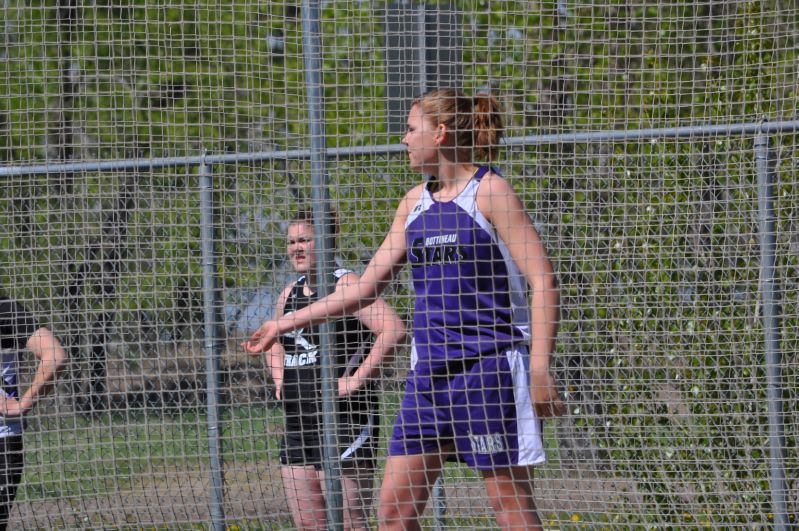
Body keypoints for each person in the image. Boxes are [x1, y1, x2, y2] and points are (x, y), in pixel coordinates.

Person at [244, 88, 566, 530]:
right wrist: (282, 322)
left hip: (487, 372)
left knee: (509, 507)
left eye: (412, 129)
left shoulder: (490, 192)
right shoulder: (413, 204)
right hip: (428, 378)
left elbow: (544, 281)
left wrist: (540, 368)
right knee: (393, 515)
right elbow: (360, 291)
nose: (403, 139)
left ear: (441, 133)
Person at [256, 209, 405, 531]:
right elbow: (275, 341)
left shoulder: (348, 284)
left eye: (305, 240)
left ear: (326, 241)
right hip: (298, 422)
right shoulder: (289, 293)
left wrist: (357, 379)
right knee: (309, 523)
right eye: (291, 241)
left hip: (345, 420)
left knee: (349, 522)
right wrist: (280, 379)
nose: (296, 247)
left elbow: (393, 330)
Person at [0, 296, 68, 530]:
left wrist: (21, 405)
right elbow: (55, 356)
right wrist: (23, 404)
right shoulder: (7, 308)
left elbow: (56, 356)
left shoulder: (6, 309)